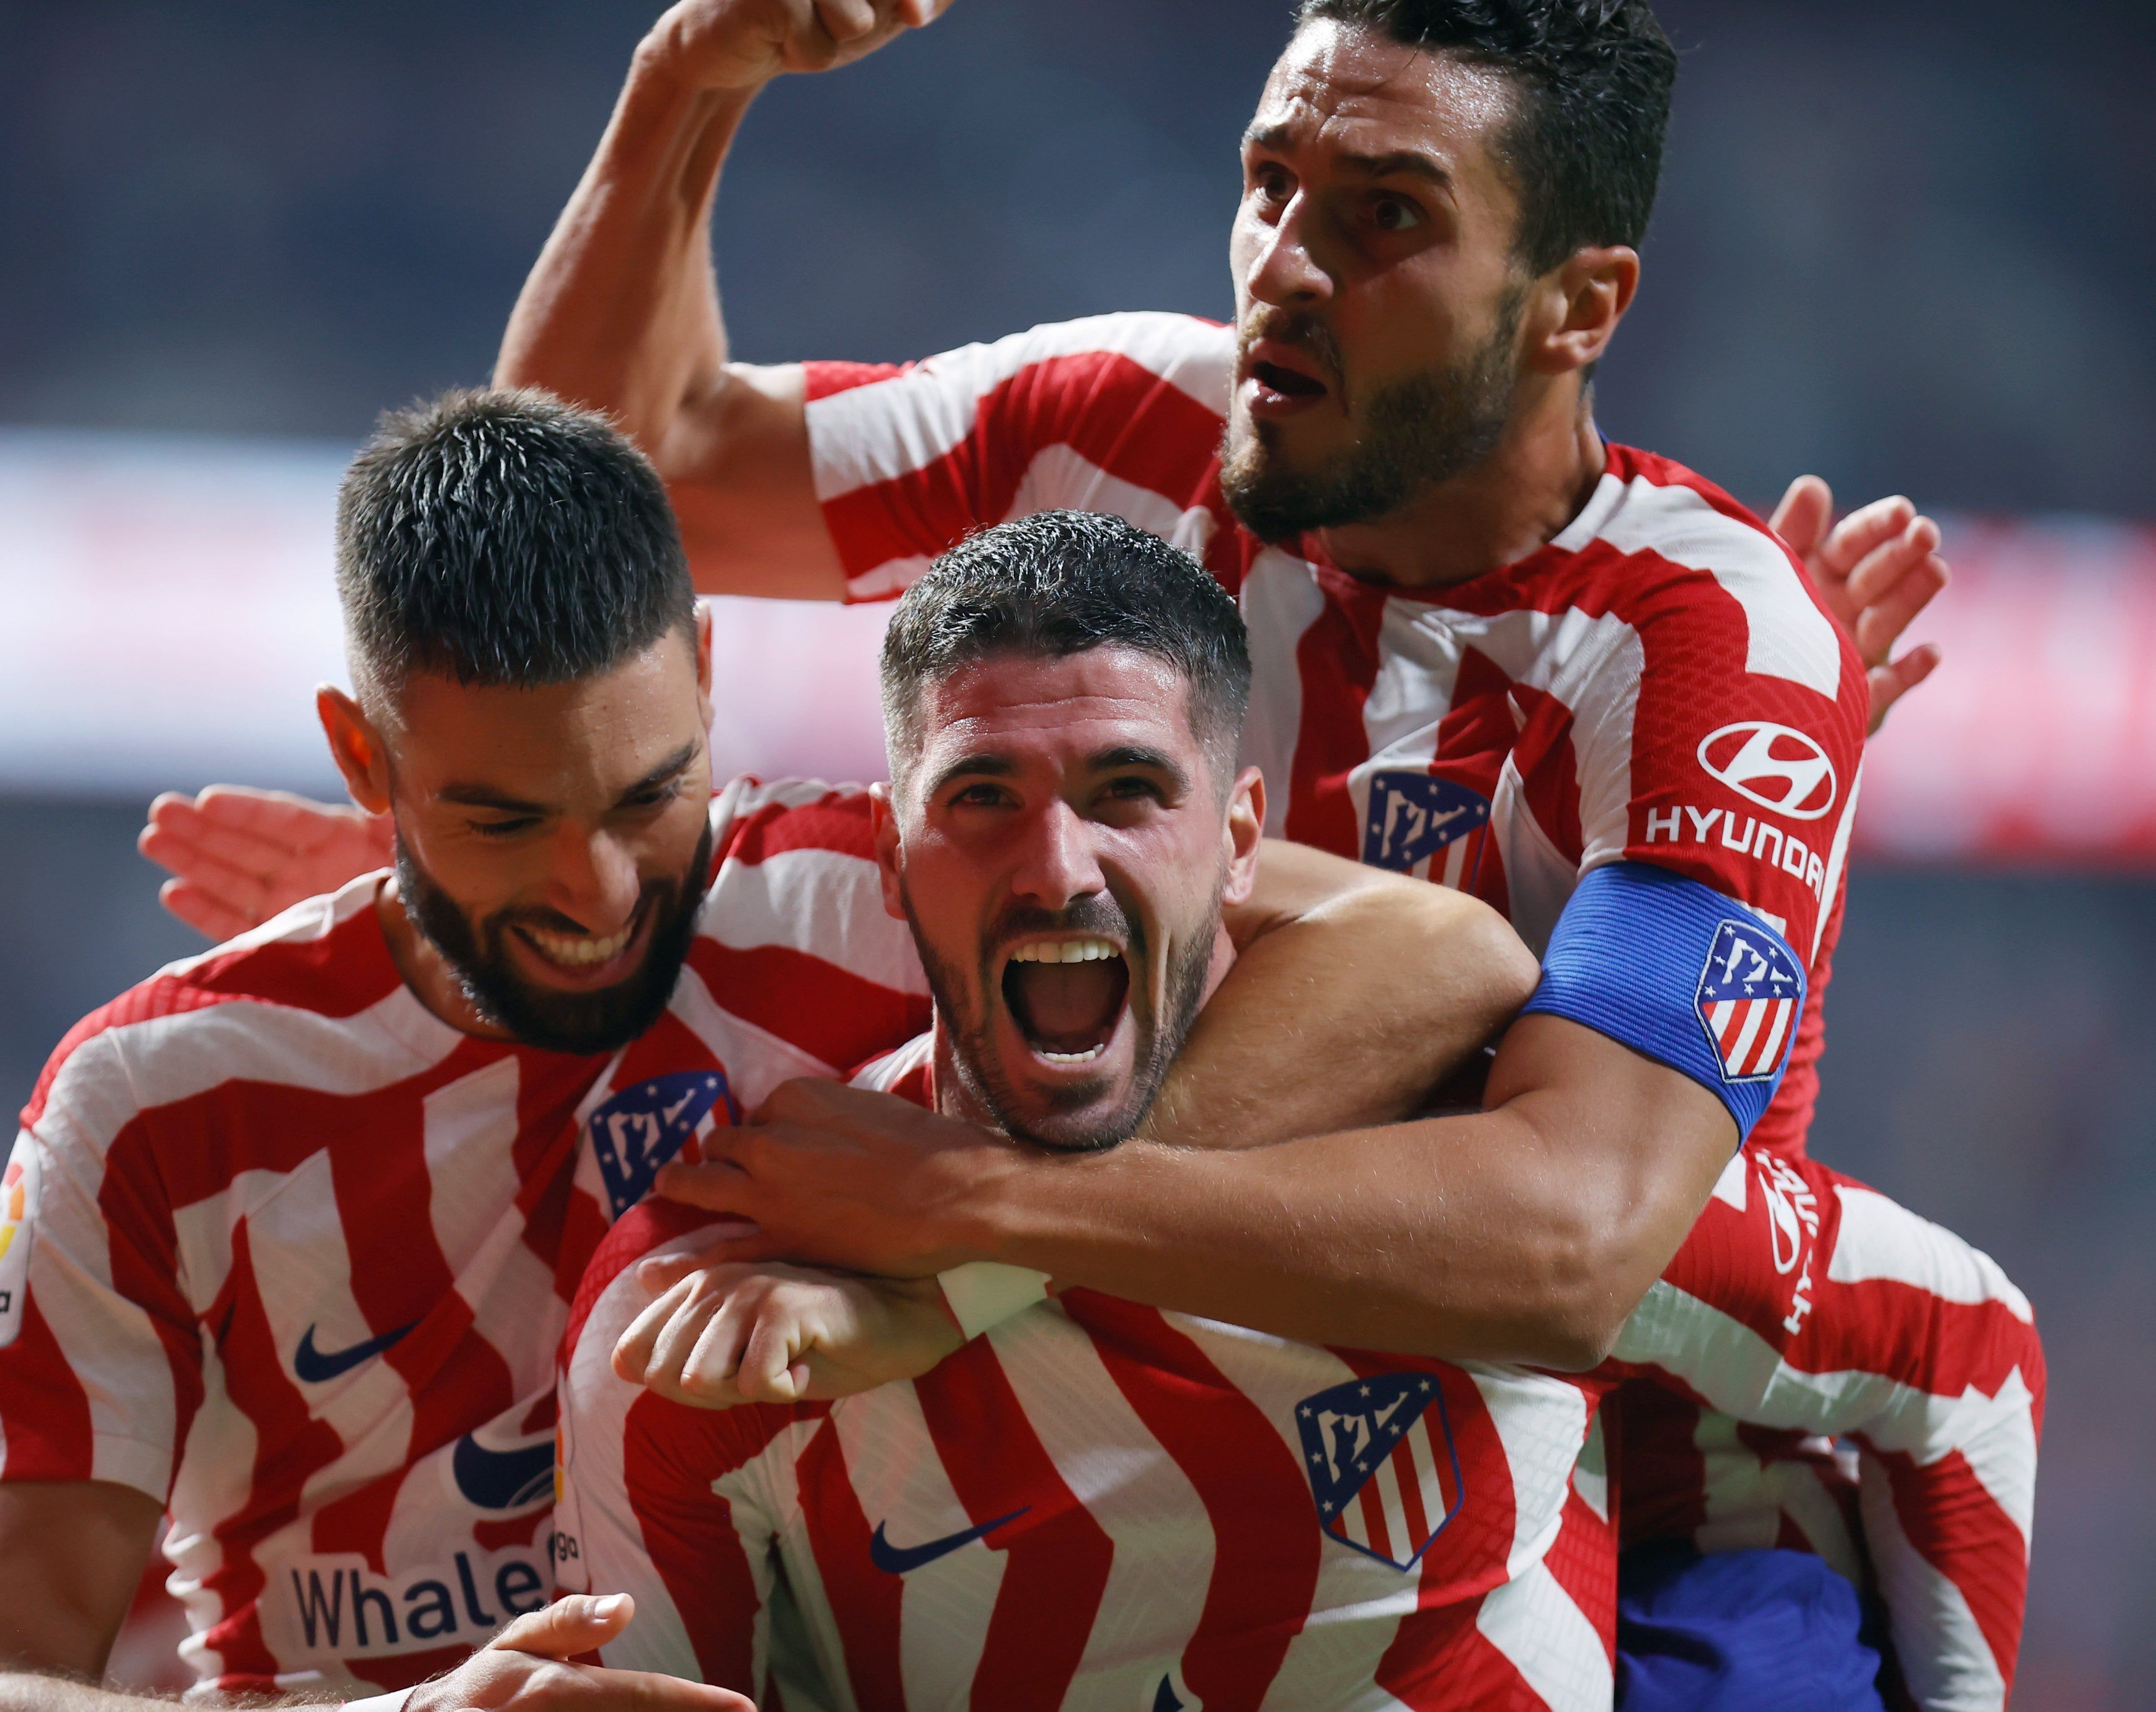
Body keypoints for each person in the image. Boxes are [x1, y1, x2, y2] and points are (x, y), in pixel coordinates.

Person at [0, 391, 1541, 1709]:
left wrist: (975, 1230)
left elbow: (1430, 949)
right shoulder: (149, 1105)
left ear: (706, 670)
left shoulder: (863, 891)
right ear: (363, 755)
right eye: (500, 819)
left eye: (645, 797)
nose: (599, 892)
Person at [555, 513, 2039, 1711]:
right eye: (981, 796)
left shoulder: (1478, 1183)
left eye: (1129, 788)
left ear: (1244, 842)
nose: (1058, 863)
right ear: (888, 857)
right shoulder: (709, 1319)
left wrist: (976, 1238)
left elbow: (1962, 1350)